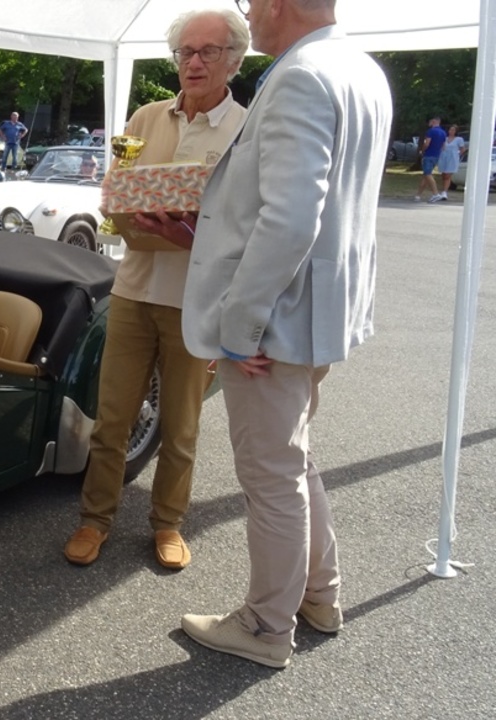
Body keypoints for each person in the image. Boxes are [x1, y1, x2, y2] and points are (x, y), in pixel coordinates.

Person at [173, 0, 392, 668]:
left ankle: (267, 627)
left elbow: (291, 218)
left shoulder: (301, 74)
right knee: (292, 460)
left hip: (276, 320)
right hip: (317, 313)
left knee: (270, 475)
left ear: (277, 3)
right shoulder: (360, 69)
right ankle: (319, 595)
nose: (250, 14)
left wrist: (242, 327)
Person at [62, 8, 248, 571]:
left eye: (208, 51)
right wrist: (115, 201)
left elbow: (248, 222)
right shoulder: (145, 116)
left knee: (180, 427)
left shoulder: (247, 127)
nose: (194, 62)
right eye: (185, 52)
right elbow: (119, 191)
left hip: (197, 299)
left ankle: (168, 523)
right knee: (112, 419)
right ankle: (95, 520)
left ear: (234, 60)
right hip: (134, 289)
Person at [414, 116, 447, 202]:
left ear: (433, 121)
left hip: (429, 155)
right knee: (426, 176)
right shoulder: (443, 132)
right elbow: (443, 146)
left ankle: (435, 194)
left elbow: (427, 143)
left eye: (430, 121)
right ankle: (418, 195)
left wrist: (422, 150)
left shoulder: (431, 131)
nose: (429, 123)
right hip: (436, 155)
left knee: (427, 174)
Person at [434, 124, 466, 201]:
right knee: (444, 175)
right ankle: (443, 189)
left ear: (456, 131)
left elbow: (462, 149)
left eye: (453, 130)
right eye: (450, 130)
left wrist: (457, 154)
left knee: (448, 175)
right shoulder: (445, 138)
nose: (451, 131)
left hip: (453, 158)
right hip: (443, 157)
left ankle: (444, 192)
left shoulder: (459, 139)